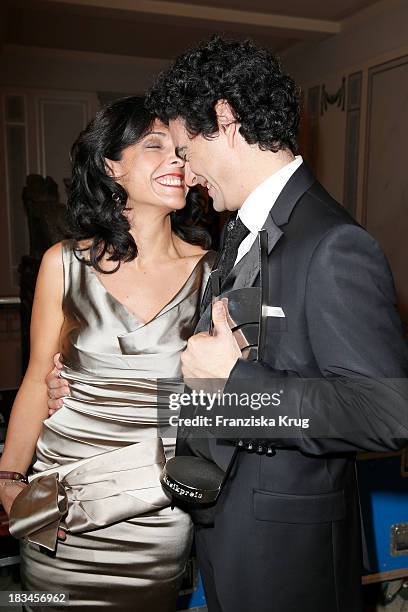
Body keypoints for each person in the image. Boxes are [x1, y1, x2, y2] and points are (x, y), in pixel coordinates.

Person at [46, 38, 408, 611]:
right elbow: (210, 384)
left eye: (187, 150)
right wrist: (96, 393)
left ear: (225, 120)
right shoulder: (240, 232)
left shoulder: (333, 243)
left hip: (287, 554)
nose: (185, 172)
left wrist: (236, 381)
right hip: (223, 528)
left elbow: (388, 411)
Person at [0, 96, 216, 611]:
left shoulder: (213, 274)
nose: (177, 162)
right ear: (109, 165)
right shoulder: (63, 263)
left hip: (155, 507)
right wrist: (8, 477)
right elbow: (35, 379)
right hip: (60, 499)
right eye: (154, 145)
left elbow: (215, 397)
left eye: (182, 150)